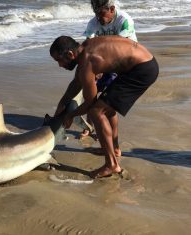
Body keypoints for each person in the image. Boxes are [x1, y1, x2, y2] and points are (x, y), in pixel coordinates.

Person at [50, 36, 159, 178]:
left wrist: (70, 115)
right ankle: (115, 149)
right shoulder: (86, 48)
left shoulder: (87, 62)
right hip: (143, 63)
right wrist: (61, 105)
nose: (60, 65)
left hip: (141, 70)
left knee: (97, 112)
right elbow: (76, 84)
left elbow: (90, 103)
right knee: (107, 107)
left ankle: (111, 165)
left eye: (59, 60)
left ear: (70, 54)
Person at [78, 0, 137, 139]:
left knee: (108, 101)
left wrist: (102, 69)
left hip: (125, 61)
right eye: (96, 14)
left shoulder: (124, 20)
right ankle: (89, 126)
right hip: (104, 61)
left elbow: (118, 46)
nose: (99, 18)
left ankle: (108, 132)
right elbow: (88, 45)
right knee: (91, 93)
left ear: (112, 9)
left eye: (101, 13)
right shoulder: (93, 22)